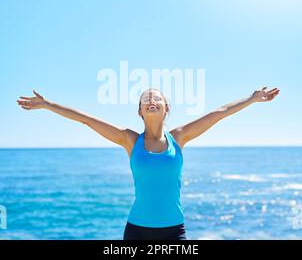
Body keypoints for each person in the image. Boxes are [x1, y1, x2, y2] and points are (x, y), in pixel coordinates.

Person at [17, 86, 280, 240]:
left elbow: (218, 114)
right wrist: (48, 104)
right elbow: (87, 119)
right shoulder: (130, 140)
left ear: (167, 108)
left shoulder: (179, 137)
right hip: (136, 231)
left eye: (156, 99)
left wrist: (252, 99)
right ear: (140, 112)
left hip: (174, 231)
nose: (151, 101)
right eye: (145, 100)